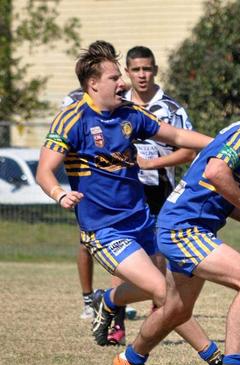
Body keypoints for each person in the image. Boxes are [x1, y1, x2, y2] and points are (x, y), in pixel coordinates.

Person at [36, 40, 223, 365]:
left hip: (142, 221)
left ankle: (108, 300)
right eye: (114, 78)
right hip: (104, 231)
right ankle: (213, 356)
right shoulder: (72, 119)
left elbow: (176, 137)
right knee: (165, 293)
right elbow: (44, 171)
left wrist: (224, 145)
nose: (122, 83)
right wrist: (60, 193)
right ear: (93, 84)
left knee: (169, 283)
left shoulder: (129, 114)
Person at [113, 81, 240, 365]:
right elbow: (216, 172)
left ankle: (129, 360)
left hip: (181, 225)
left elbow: (217, 190)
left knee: (176, 311)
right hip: (184, 228)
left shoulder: (238, 133)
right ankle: (233, 363)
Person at [63, 45, 197, 345]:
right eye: (134, 69)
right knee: (122, 258)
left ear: (155, 71)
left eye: (146, 69)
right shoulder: (114, 105)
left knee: (157, 263)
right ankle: (116, 324)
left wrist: (152, 162)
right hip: (118, 195)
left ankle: (154, 313)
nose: (140, 75)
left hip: (158, 190)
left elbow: (184, 146)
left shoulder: (169, 109)